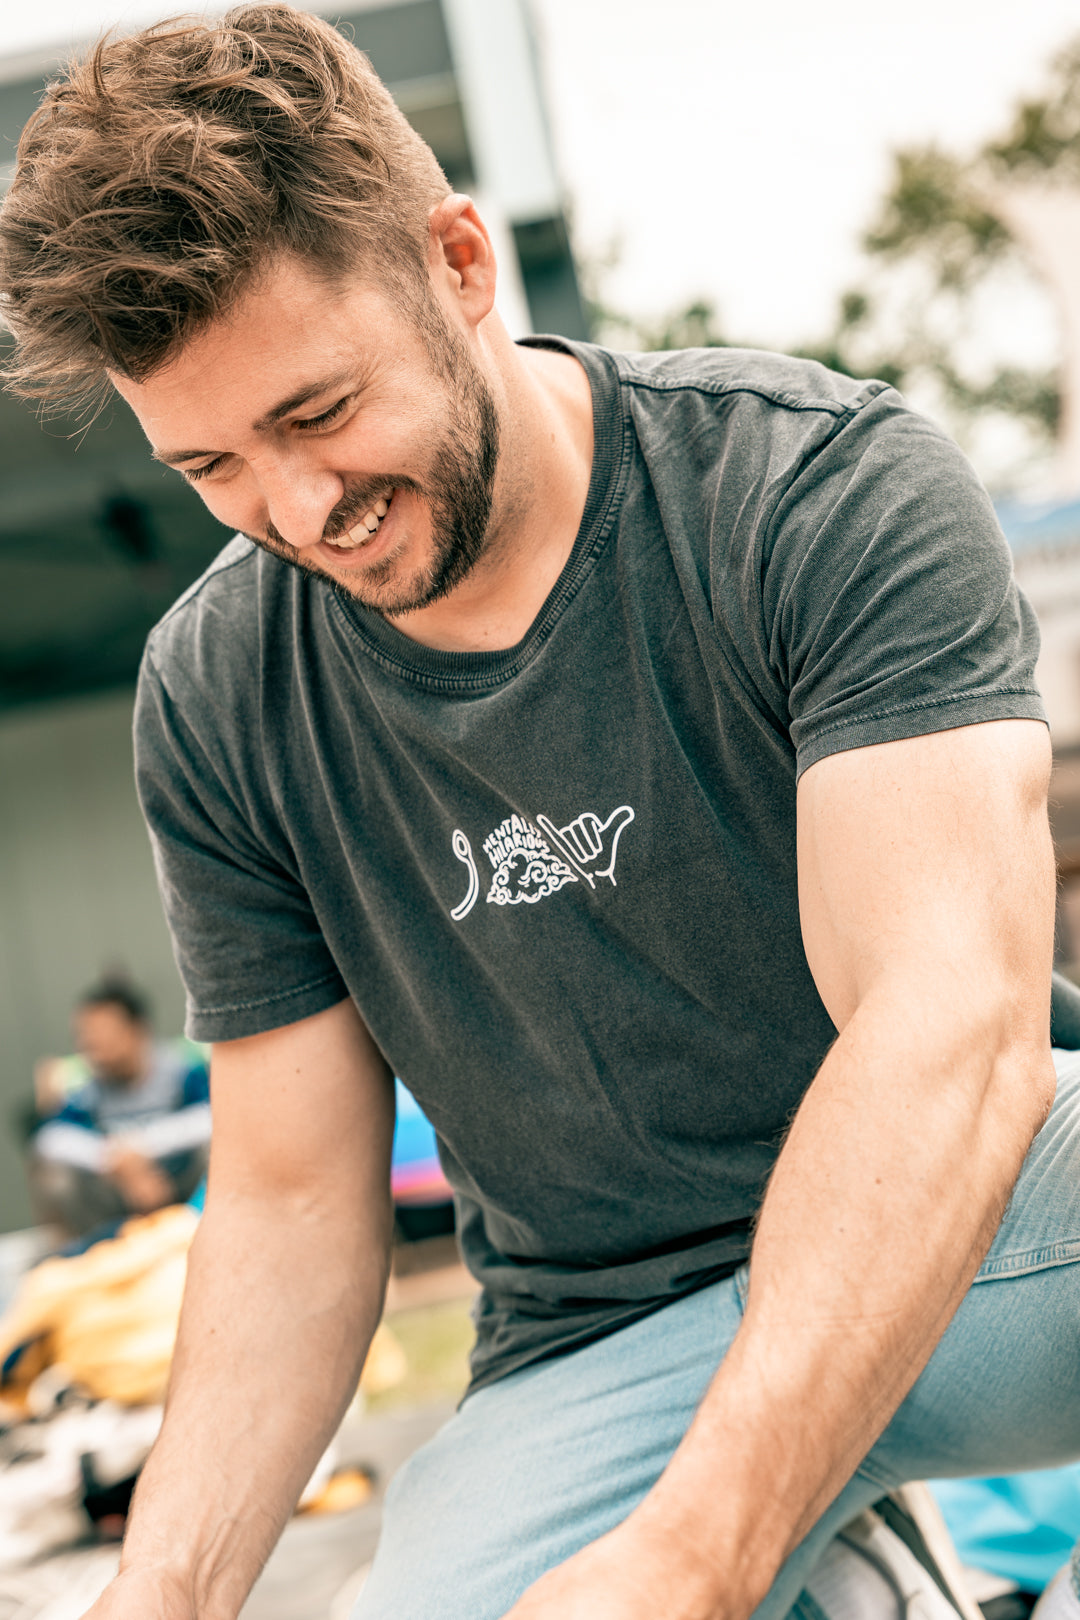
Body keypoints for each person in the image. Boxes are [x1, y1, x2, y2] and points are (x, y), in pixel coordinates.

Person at [1, 7, 1078, 1618]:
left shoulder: (815, 494)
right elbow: (296, 1202)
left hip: (975, 1232)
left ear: (455, 262)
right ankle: (858, 1580)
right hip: (602, 1342)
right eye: (215, 465)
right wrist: (159, 1592)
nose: (300, 514)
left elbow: (945, 1034)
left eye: (318, 414)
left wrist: (697, 1552)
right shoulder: (218, 695)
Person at [29, 981, 211, 1236]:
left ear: (138, 1030)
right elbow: (50, 1137)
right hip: (120, 1200)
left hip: (182, 1185)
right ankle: (93, 1249)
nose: (91, 1044)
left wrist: (141, 1148)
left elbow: (212, 1116)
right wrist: (113, 1160)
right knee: (56, 1176)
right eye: (84, 1035)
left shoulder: (180, 1071)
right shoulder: (87, 1090)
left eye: (102, 1032)